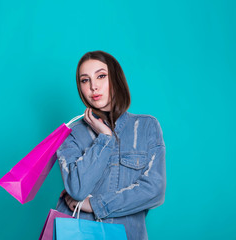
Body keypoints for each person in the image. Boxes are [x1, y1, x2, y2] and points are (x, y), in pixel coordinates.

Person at [55, 50, 166, 240]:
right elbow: (77, 190)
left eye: (101, 76)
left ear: (116, 78)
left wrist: (96, 205)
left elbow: (154, 191)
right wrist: (105, 139)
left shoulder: (146, 126)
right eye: (85, 80)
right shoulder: (71, 133)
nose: (93, 87)